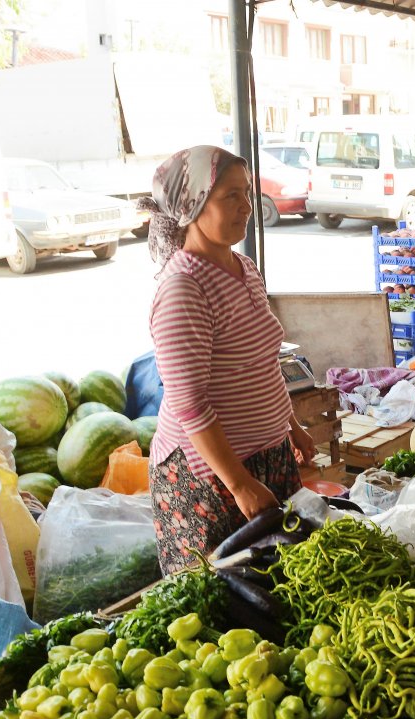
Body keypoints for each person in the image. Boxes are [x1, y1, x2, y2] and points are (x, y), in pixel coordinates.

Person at [138, 146, 315, 575]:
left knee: (279, 583)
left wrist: (291, 427)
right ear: (192, 205)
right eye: (230, 196)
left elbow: (261, 364)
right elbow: (189, 402)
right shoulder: (184, 288)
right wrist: (237, 483)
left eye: (247, 192)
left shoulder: (244, 267)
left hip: (265, 458)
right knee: (220, 601)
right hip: (209, 478)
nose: (247, 206)